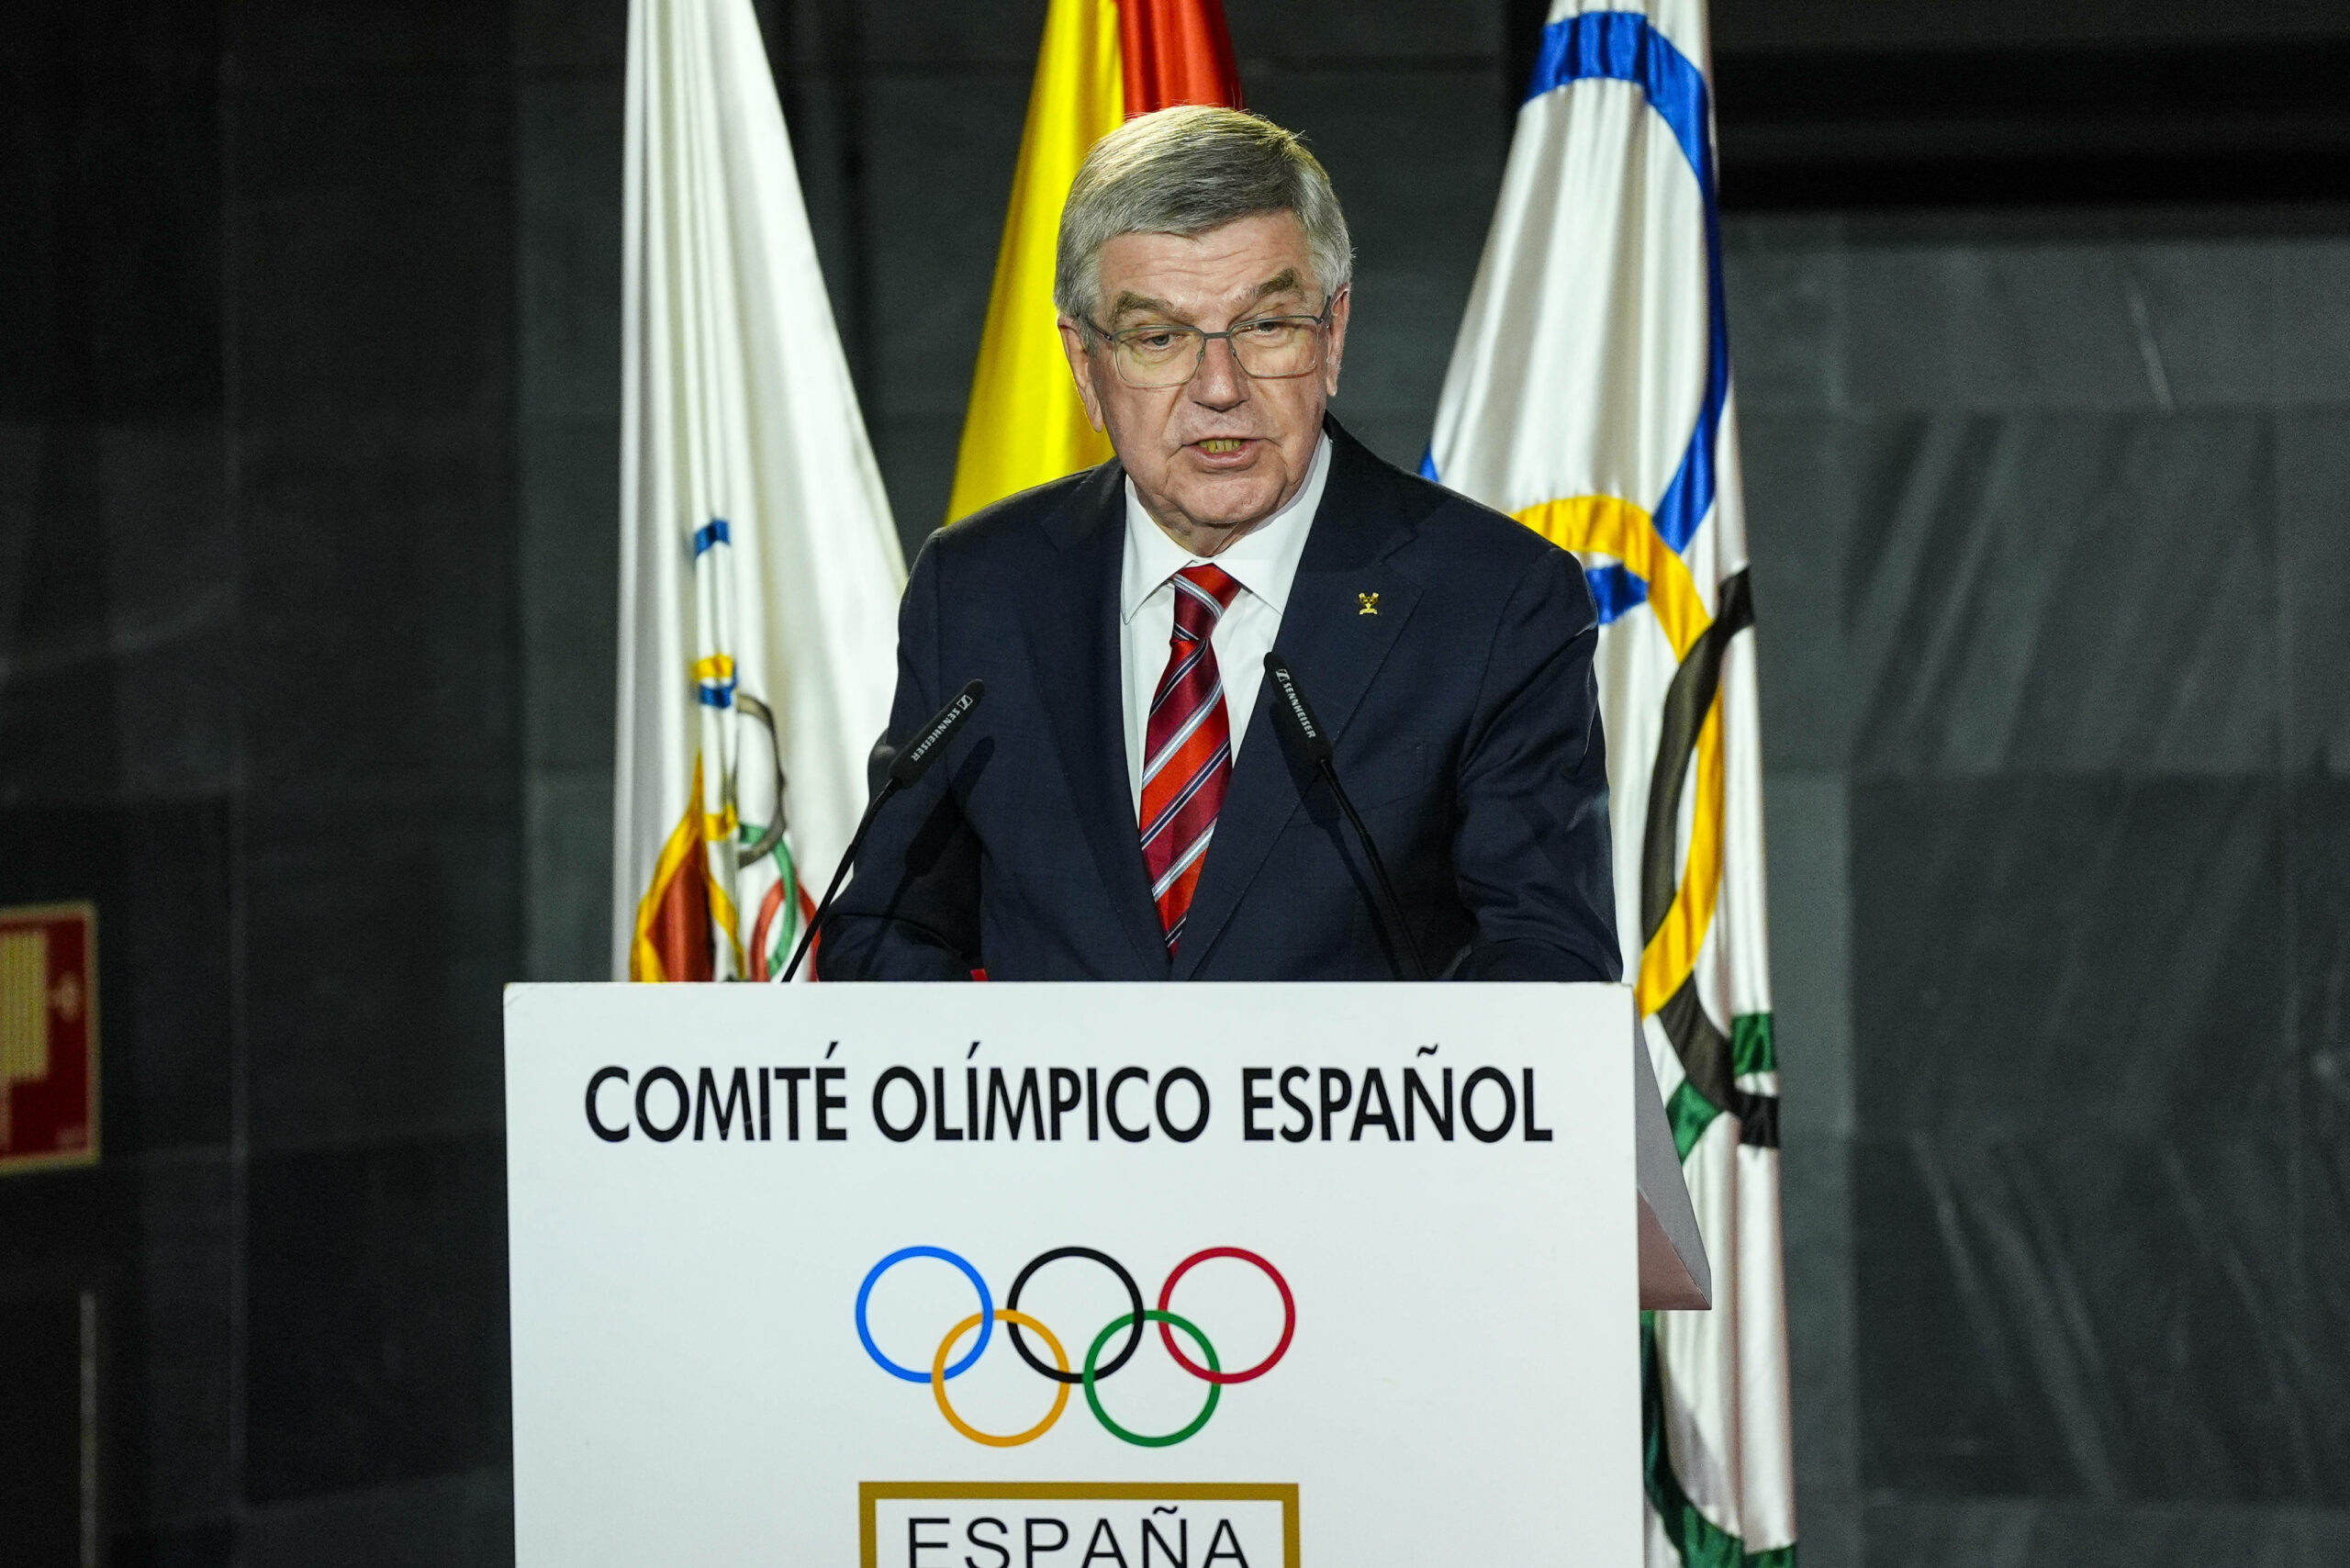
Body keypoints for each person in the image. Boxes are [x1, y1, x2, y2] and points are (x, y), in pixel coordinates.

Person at [822, 106, 1617, 982]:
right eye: (1159, 339)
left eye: (1265, 327)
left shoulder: (1495, 600)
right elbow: (886, 931)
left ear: (1334, 332)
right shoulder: (978, 589)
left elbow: (1548, 964)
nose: (1219, 388)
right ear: (1086, 364)